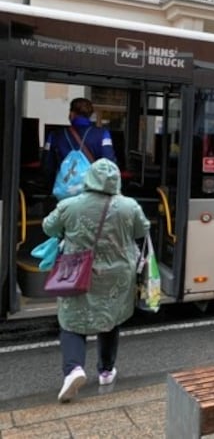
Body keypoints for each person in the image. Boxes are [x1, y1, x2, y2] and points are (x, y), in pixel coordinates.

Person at [43, 159, 150, 402]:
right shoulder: (129, 206)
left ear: (89, 177)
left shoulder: (69, 205)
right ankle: (105, 370)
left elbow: (49, 227)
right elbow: (142, 230)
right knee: (110, 319)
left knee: (71, 322)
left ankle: (73, 369)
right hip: (118, 274)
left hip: (77, 272)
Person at [43, 98, 117, 191]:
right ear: (90, 115)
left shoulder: (55, 135)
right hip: (92, 190)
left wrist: (51, 188)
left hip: (64, 191)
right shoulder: (103, 134)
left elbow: (47, 166)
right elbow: (109, 163)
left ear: (72, 114)